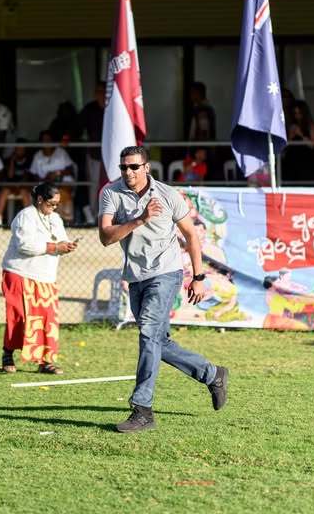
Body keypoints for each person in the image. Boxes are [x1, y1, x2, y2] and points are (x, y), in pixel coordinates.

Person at [98, 145, 229, 433]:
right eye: (124, 167)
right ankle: (212, 374)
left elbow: (191, 235)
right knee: (158, 341)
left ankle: (142, 409)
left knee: (148, 334)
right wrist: (140, 219)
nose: (128, 172)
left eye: (134, 167)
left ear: (147, 167)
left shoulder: (168, 194)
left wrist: (198, 276)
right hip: (135, 276)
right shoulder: (111, 193)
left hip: (166, 273)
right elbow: (105, 237)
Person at [1, 182, 79, 373]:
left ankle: (45, 362)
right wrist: (54, 247)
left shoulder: (56, 219)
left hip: (45, 276)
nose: (54, 208)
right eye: (51, 204)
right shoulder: (25, 216)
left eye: (56, 205)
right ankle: (8, 353)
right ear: (40, 200)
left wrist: (66, 246)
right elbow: (25, 246)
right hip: (20, 272)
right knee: (19, 317)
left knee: (47, 319)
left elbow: (60, 240)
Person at [29, 130, 76, 223]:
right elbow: (33, 174)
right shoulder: (38, 155)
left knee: (61, 193)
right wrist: (46, 180)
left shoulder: (61, 152)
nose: (46, 142)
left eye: (48, 139)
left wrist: (57, 173)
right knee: (44, 195)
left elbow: (70, 169)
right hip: (45, 186)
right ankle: (46, 221)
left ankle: (67, 221)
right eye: (44, 140)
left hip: (62, 183)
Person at [75, 82, 105, 221]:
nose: (100, 94)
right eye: (97, 91)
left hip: (112, 154)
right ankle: (94, 216)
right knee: (93, 185)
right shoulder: (90, 109)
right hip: (94, 153)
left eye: (102, 91)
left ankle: (110, 215)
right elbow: (77, 127)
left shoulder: (114, 106)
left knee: (112, 183)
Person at [0, 139, 33, 225]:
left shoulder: (28, 160)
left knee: (23, 191)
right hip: (11, 184)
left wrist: (19, 185)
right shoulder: (10, 159)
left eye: (21, 149)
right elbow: (10, 176)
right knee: (4, 191)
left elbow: (27, 177)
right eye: (17, 149)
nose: (19, 151)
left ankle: (30, 219)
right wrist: (12, 161)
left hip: (23, 185)